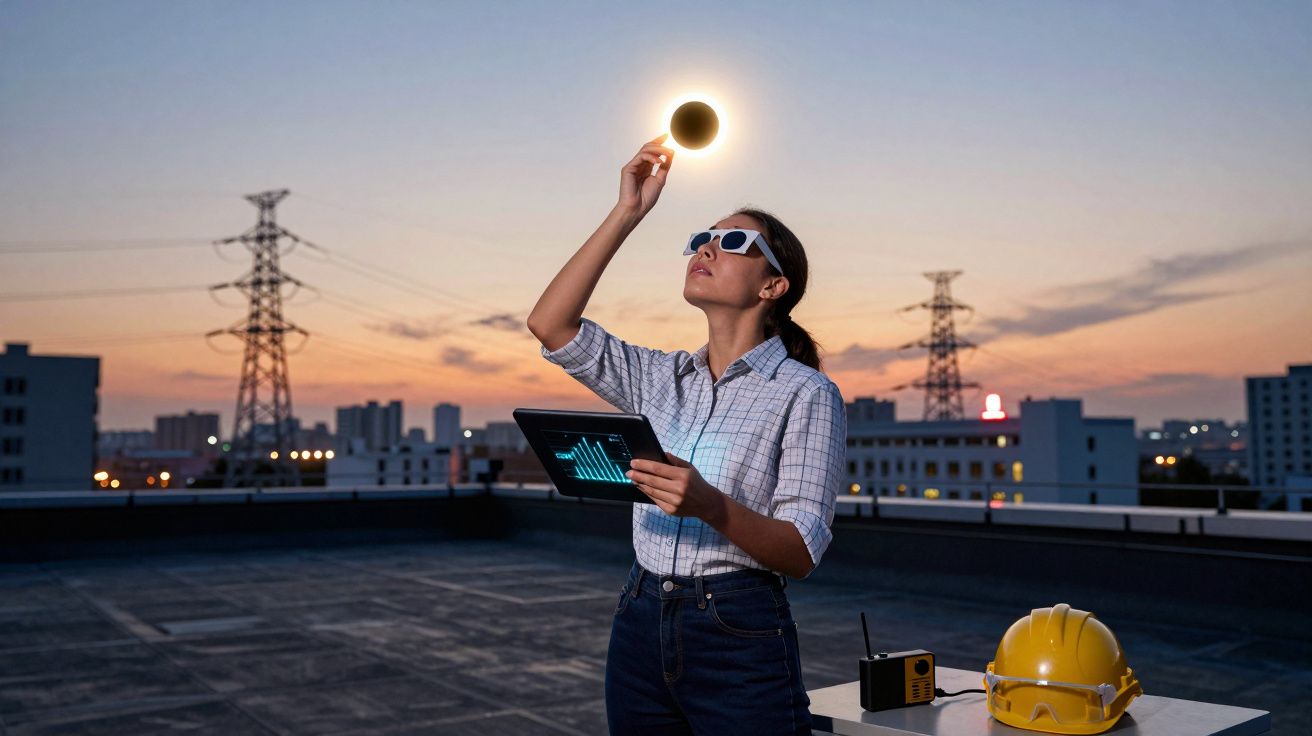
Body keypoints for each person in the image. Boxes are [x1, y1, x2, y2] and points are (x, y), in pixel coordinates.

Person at [526, 132, 847, 735]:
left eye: (730, 241)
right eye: (701, 238)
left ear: (771, 286)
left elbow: (802, 551)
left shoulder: (806, 393)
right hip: (639, 615)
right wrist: (628, 212)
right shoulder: (661, 376)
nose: (705, 248)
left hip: (739, 628)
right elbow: (550, 323)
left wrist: (709, 505)